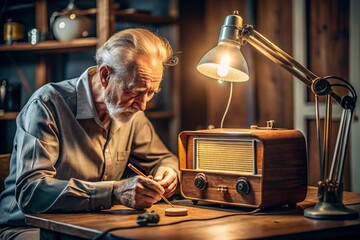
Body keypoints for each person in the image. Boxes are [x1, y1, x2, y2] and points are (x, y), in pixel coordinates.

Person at [0, 28, 180, 240]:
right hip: (29, 227)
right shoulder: (47, 105)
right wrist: (113, 192)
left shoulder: (130, 111)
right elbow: (31, 192)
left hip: (92, 224)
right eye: (135, 91)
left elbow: (163, 158)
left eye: (151, 92)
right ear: (105, 75)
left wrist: (169, 173)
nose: (143, 105)